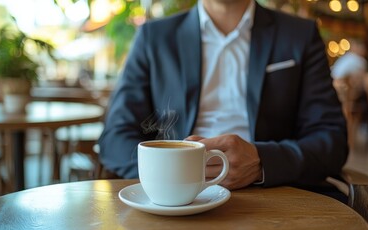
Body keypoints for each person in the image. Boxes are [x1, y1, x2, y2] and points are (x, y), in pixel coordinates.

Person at [99, 0, 348, 191]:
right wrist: (172, 171)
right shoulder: (154, 38)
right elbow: (115, 138)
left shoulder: (299, 36)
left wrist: (262, 162)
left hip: (276, 193)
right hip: (172, 200)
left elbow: (331, 139)